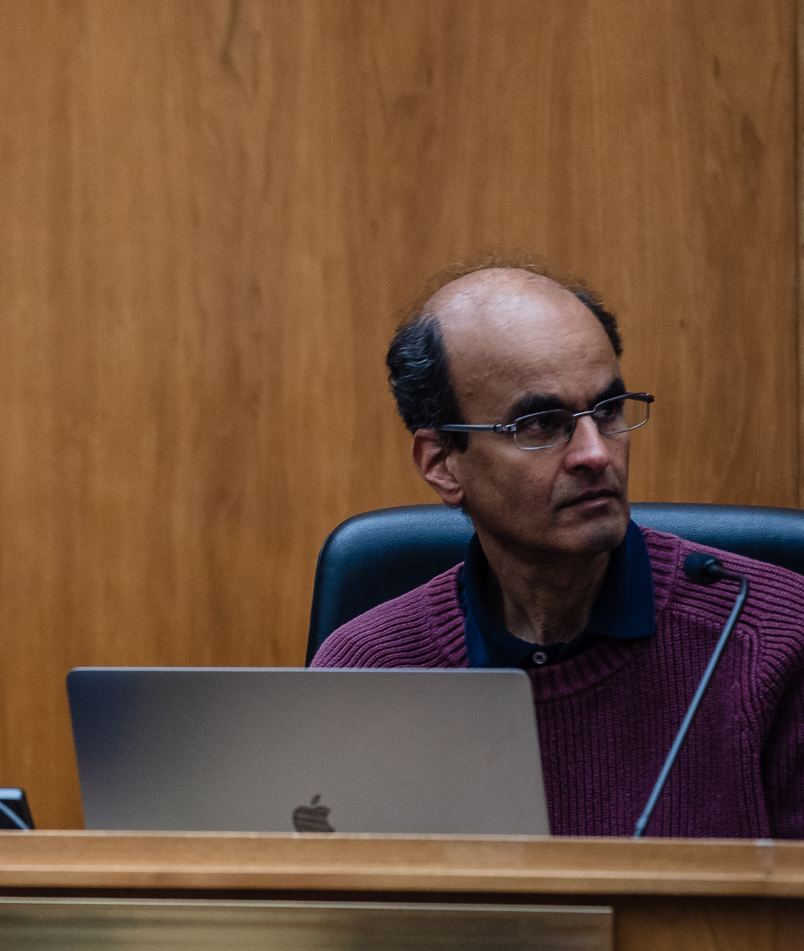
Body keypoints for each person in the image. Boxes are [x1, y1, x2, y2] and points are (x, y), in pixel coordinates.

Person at [313, 266, 804, 837]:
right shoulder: (371, 670)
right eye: (540, 423)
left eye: (608, 409)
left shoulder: (775, 637)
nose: (595, 453)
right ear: (442, 463)